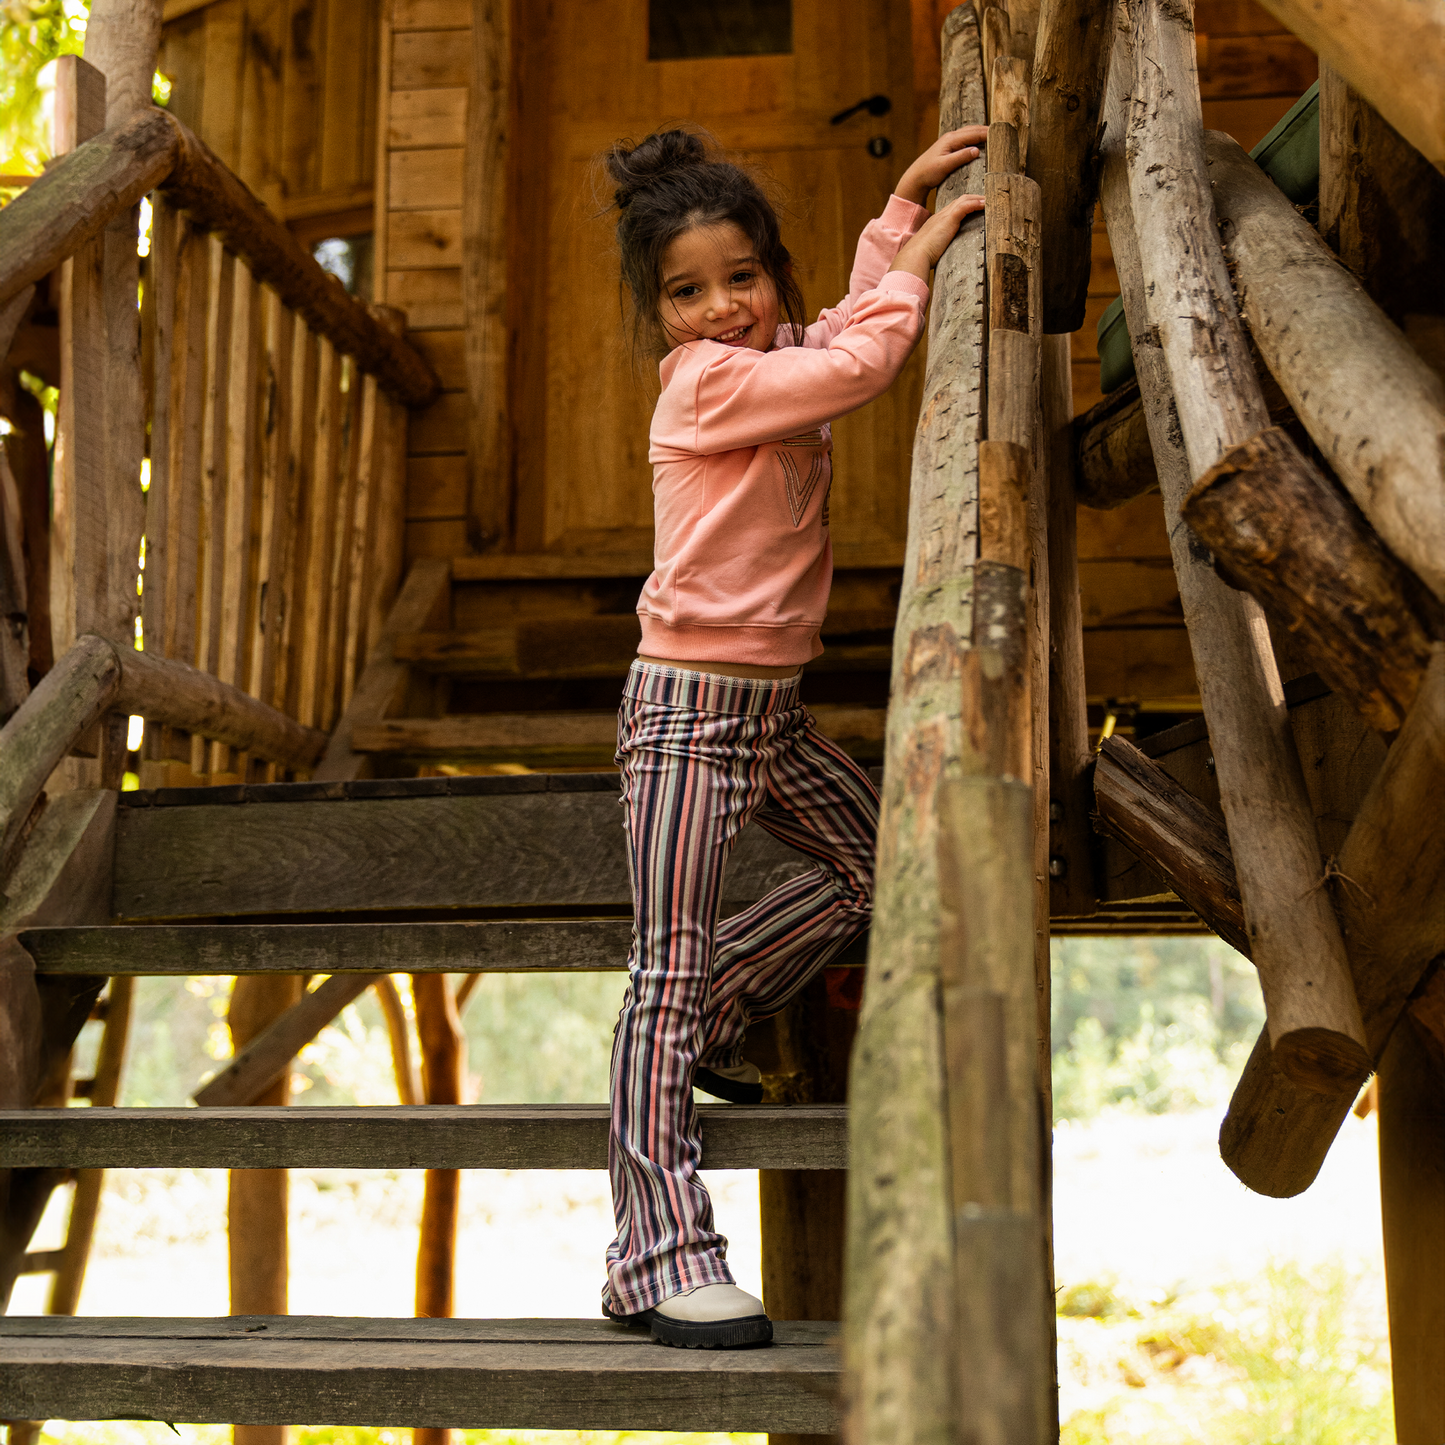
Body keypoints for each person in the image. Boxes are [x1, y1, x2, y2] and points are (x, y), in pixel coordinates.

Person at [599, 125, 986, 1349]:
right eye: (685, 291)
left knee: (881, 864)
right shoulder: (703, 382)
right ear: (657, 314)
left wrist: (893, 215)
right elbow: (860, 362)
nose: (721, 307)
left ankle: (715, 1002)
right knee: (657, 975)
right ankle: (653, 1254)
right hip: (682, 719)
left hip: (769, 715)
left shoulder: (770, 347)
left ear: (771, 271)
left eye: (742, 276)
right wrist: (923, 259)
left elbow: (833, 330)